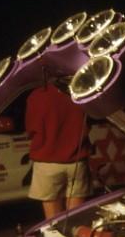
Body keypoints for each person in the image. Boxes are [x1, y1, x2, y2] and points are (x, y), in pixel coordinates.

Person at [25, 73, 90, 219]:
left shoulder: (37, 96)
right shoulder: (80, 93)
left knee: (54, 221)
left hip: (47, 163)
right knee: (76, 219)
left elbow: (31, 129)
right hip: (77, 162)